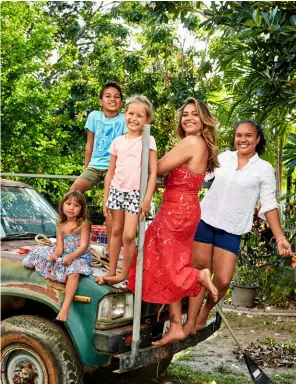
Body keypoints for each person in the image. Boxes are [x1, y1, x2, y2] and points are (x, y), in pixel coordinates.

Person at [184, 119, 293, 336]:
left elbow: (269, 205)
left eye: (248, 135)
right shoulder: (223, 158)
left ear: (257, 139)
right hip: (205, 220)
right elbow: (197, 174)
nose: (242, 139)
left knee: (223, 280)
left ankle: (206, 310)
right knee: (201, 273)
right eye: (239, 135)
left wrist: (280, 237)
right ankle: (189, 322)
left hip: (231, 228)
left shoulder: (263, 169)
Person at [128, 97, 219, 346]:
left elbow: (156, 166)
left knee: (162, 261)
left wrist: (137, 150)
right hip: (184, 209)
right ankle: (177, 325)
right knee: (170, 263)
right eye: (185, 114)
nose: (188, 118)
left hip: (176, 212)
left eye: (194, 114)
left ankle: (199, 276)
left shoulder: (191, 142)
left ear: (204, 121)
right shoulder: (200, 144)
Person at [96, 95, 157, 285]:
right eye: (131, 113)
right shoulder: (118, 141)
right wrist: (106, 197)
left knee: (129, 235)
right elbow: (110, 172)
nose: (134, 118)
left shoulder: (148, 141)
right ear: (125, 115)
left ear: (146, 120)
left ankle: (123, 273)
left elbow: (153, 172)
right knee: (115, 231)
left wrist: (147, 198)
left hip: (135, 193)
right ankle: (112, 271)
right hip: (116, 190)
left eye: (140, 115)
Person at [70, 81, 128, 256]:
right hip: (95, 165)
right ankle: (73, 234)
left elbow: (126, 146)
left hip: (115, 167)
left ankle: (110, 249)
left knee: (110, 207)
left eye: (117, 97)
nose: (112, 100)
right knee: (74, 191)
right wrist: (85, 168)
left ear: (121, 102)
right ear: (101, 101)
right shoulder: (94, 116)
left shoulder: (124, 119)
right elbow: (89, 144)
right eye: (108, 96)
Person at [22, 190, 92, 321]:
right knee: (40, 251)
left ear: (81, 209)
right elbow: (59, 248)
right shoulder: (60, 224)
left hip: (80, 256)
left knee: (74, 273)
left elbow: (83, 246)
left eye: (76, 205)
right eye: (69, 204)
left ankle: (65, 308)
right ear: (62, 206)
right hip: (65, 254)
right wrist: (55, 255)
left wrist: (71, 257)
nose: (71, 208)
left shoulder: (83, 224)